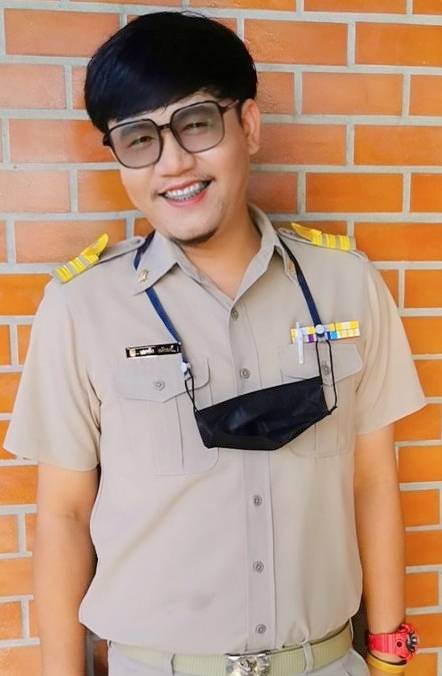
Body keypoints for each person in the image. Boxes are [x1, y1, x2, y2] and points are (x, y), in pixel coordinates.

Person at [5, 11, 425, 676]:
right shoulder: (81, 308)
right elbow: (63, 513)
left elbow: (373, 479)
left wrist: (390, 655)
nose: (173, 163)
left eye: (196, 123)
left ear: (248, 126)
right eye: (139, 138)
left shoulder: (345, 285)